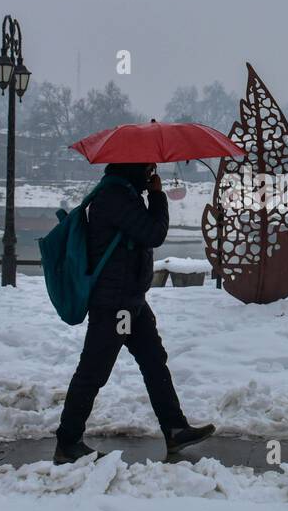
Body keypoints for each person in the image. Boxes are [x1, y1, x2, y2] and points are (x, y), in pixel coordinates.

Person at [54, 162, 214, 463]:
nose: (152, 171)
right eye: (148, 167)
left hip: (130, 300)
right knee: (93, 371)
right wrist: (157, 196)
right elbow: (153, 234)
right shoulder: (114, 197)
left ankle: (175, 428)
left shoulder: (122, 193)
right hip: (114, 304)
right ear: (133, 168)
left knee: (154, 362)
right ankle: (67, 442)